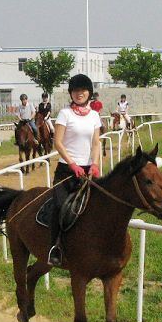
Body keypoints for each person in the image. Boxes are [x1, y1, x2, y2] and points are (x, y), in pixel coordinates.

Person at [48, 74, 102, 266]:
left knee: (100, 208)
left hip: (88, 171)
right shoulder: (65, 114)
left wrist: (94, 164)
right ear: (71, 93)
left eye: (83, 90)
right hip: (67, 171)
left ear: (89, 93)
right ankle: (56, 247)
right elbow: (58, 142)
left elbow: (96, 143)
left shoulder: (95, 116)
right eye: (76, 90)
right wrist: (72, 163)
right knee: (61, 207)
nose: (80, 93)